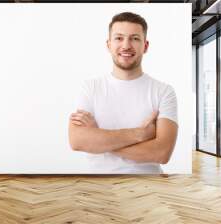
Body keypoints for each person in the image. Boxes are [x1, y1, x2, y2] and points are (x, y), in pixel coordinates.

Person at [68, 12, 178, 174]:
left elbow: (162, 153)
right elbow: (78, 141)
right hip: (99, 187)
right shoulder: (90, 88)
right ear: (109, 44)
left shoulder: (163, 91)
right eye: (119, 38)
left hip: (149, 187)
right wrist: (140, 134)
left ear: (145, 46)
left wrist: (99, 140)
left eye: (134, 38)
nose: (126, 45)